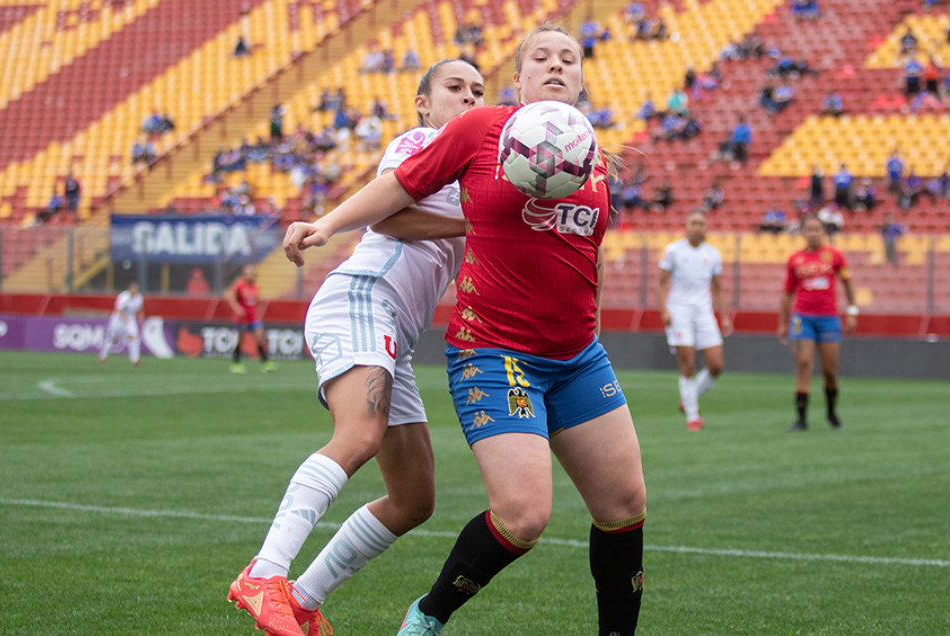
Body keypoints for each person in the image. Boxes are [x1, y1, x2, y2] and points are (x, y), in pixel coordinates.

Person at [281, 25, 646, 636]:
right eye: (541, 58)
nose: (556, 66)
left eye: (569, 59)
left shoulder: (591, 157)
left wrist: (594, 333)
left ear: (581, 80)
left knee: (624, 507)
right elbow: (399, 188)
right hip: (496, 352)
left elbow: (592, 255)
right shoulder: (481, 131)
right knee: (524, 516)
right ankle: (428, 615)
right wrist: (328, 223)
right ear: (520, 78)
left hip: (578, 357)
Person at [228, 59, 485, 636]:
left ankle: (301, 598)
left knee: (414, 496)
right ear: (423, 103)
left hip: (395, 333)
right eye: (454, 88)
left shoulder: (478, 177)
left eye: (478, 92)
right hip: (362, 299)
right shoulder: (419, 143)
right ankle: (263, 573)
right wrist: (473, 225)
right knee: (358, 436)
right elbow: (392, 220)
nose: (468, 98)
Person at [777, 216, 857, 431]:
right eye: (809, 229)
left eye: (816, 229)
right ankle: (801, 419)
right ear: (802, 232)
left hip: (829, 319)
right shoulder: (795, 259)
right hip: (801, 318)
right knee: (804, 363)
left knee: (830, 371)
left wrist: (852, 311)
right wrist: (782, 323)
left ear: (823, 232)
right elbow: (787, 293)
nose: (813, 233)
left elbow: (848, 284)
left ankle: (831, 412)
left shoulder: (835, 256)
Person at [657, 211, 732, 431]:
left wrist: (725, 316)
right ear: (686, 226)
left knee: (717, 365)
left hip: (704, 312)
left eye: (701, 223)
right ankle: (693, 416)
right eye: (694, 223)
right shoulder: (673, 251)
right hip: (679, 311)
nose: (697, 227)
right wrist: (664, 310)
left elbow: (718, 288)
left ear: (706, 227)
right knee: (688, 363)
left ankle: (688, 399)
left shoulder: (713, 254)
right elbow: (660, 284)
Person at [226, 264, 276, 374]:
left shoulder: (255, 286)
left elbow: (256, 301)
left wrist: (255, 312)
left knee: (260, 338)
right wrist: (238, 309)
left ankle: (265, 363)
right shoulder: (239, 286)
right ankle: (236, 363)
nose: (250, 276)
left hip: (253, 318)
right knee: (241, 340)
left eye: (252, 274)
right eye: (248, 273)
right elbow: (232, 300)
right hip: (241, 319)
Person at [98, 282, 144, 366]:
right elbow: (118, 309)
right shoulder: (124, 296)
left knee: (135, 337)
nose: (134, 291)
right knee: (111, 338)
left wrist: (140, 317)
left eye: (136, 289)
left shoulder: (139, 298)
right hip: (118, 319)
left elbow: (139, 309)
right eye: (133, 289)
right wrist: (125, 319)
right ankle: (103, 356)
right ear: (129, 289)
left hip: (130, 318)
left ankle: (135, 359)